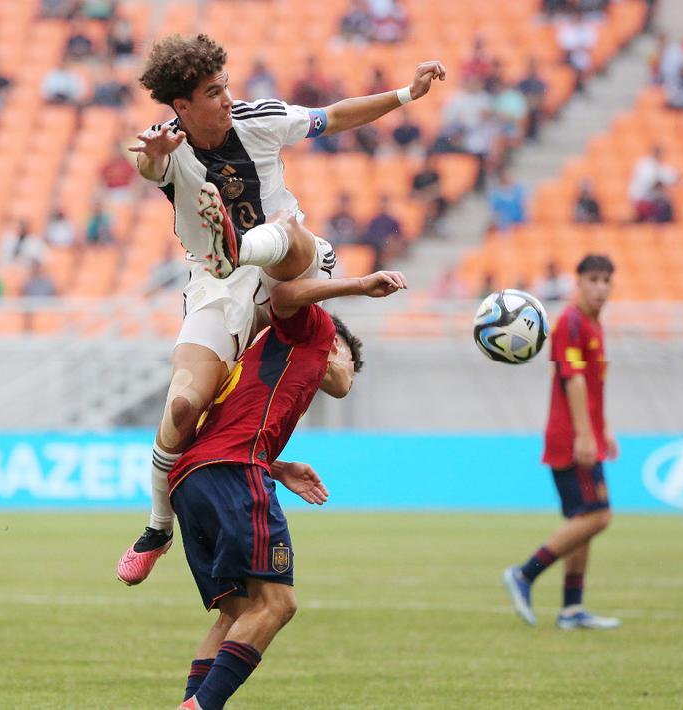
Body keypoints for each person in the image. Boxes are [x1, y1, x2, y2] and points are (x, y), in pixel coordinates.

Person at [117, 33, 444, 585]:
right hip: (218, 286)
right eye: (213, 91)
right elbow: (151, 172)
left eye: (225, 86)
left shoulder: (258, 119)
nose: (226, 98)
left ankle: (240, 246)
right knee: (182, 406)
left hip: (292, 263)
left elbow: (333, 117)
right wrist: (151, 161)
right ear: (182, 106)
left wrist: (406, 95)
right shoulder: (170, 149)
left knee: (291, 240)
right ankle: (156, 527)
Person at [169, 269, 407, 710]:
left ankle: (192, 703)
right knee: (278, 604)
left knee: (239, 611)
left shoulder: (277, 363)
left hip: (193, 478)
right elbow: (285, 295)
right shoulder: (316, 332)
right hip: (233, 474)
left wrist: (277, 468)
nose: (348, 384)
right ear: (340, 349)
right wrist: (360, 286)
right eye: (353, 370)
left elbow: (224, 429)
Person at [503, 254, 620, 631]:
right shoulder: (570, 321)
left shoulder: (593, 325)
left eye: (606, 280)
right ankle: (525, 573)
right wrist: (587, 435)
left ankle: (572, 608)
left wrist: (605, 429)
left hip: (585, 434)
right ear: (579, 282)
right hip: (571, 438)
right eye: (594, 279)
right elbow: (573, 380)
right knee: (597, 516)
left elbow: (594, 387)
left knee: (582, 520)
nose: (601, 287)